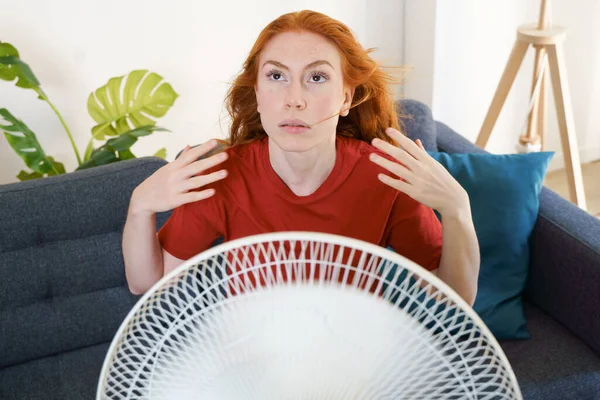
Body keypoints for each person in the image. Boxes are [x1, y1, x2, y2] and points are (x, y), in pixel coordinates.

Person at [122, 10, 480, 306]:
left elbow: (452, 297)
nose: (294, 99)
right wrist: (140, 206)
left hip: (356, 361)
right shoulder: (222, 175)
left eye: (317, 77)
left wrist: (457, 209)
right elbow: (147, 283)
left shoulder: (386, 175)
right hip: (252, 360)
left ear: (345, 98)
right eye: (276, 76)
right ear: (258, 93)